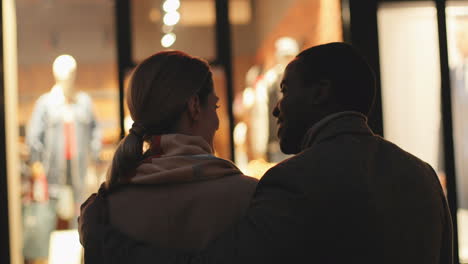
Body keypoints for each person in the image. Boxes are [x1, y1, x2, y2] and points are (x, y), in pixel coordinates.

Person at [79, 43, 453, 264]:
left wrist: (101, 238)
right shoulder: (422, 177)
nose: (276, 108)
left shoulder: (291, 182)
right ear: (196, 108)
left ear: (321, 93)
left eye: (286, 92)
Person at [80, 51, 258, 261]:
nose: (217, 122)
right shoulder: (249, 196)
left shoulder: (103, 211)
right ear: (194, 107)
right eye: (215, 106)